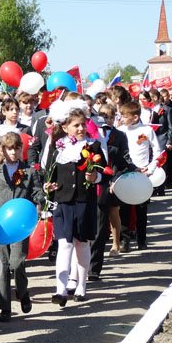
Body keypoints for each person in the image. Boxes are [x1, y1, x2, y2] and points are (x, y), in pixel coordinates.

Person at [43, 102, 106, 305]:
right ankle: (60, 290)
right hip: (63, 203)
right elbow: (50, 174)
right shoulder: (59, 148)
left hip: (84, 202)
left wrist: (95, 176)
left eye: (82, 125)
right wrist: (48, 188)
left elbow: (104, 174)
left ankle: (81, 285)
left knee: (81, 244)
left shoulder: (93, 146)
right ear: (65, 127)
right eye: (75, 125)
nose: (80, 129)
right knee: (64, 244)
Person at [0, 132, 41, 321]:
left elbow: (37, 192)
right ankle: (4, 306)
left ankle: (23, 292)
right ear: (3, 150)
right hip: (0, 224)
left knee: (17, 262)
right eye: (9, 148)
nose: (13, 152)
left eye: (17, 148)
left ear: (21, 149)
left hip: (19, 223)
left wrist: (41, 200)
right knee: (2, 265)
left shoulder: (29, 171)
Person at [89, 103, 132, 279]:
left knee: (107, 218)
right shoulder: (90, 135)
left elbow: (123, 160)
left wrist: (117, 178)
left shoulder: (119, 135)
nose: (106, 120)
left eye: (109, 116)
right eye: (103, 116)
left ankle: (94, 268)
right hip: (91, 182)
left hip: (110, 181)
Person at [117, 101, 161, 251]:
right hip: (126, 174)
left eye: (125, 116)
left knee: (141, 209)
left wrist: (150, 168)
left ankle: (142, 239)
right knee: (125, 209)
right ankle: (125, 240)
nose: (121, 118)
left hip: (142, 174)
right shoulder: (120, 131)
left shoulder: (147, 130)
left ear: (135, 117)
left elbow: (157, 151)